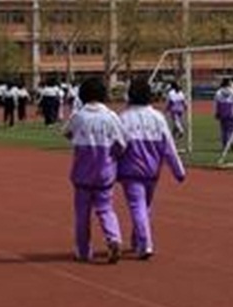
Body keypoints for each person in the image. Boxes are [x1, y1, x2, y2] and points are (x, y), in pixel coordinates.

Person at [115, 77, 187, 260]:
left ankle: (145, 243)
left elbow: (116, 147)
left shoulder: (123, 118)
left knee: (138, 206)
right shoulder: (158, 118)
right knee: (144, 206)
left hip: (130, 171)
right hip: (152, 171)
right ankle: (137, 239)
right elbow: (169, 148)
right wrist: (178, 171)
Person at [64, 77, 127, 264]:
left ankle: (83, 251)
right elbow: (122, 143)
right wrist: (114, 155)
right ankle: (113, 238)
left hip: (82, 172)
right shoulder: (110, 116)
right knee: (106, 208)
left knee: (82, 214)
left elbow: (67, 133)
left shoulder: (78, 116)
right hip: (104, 171)